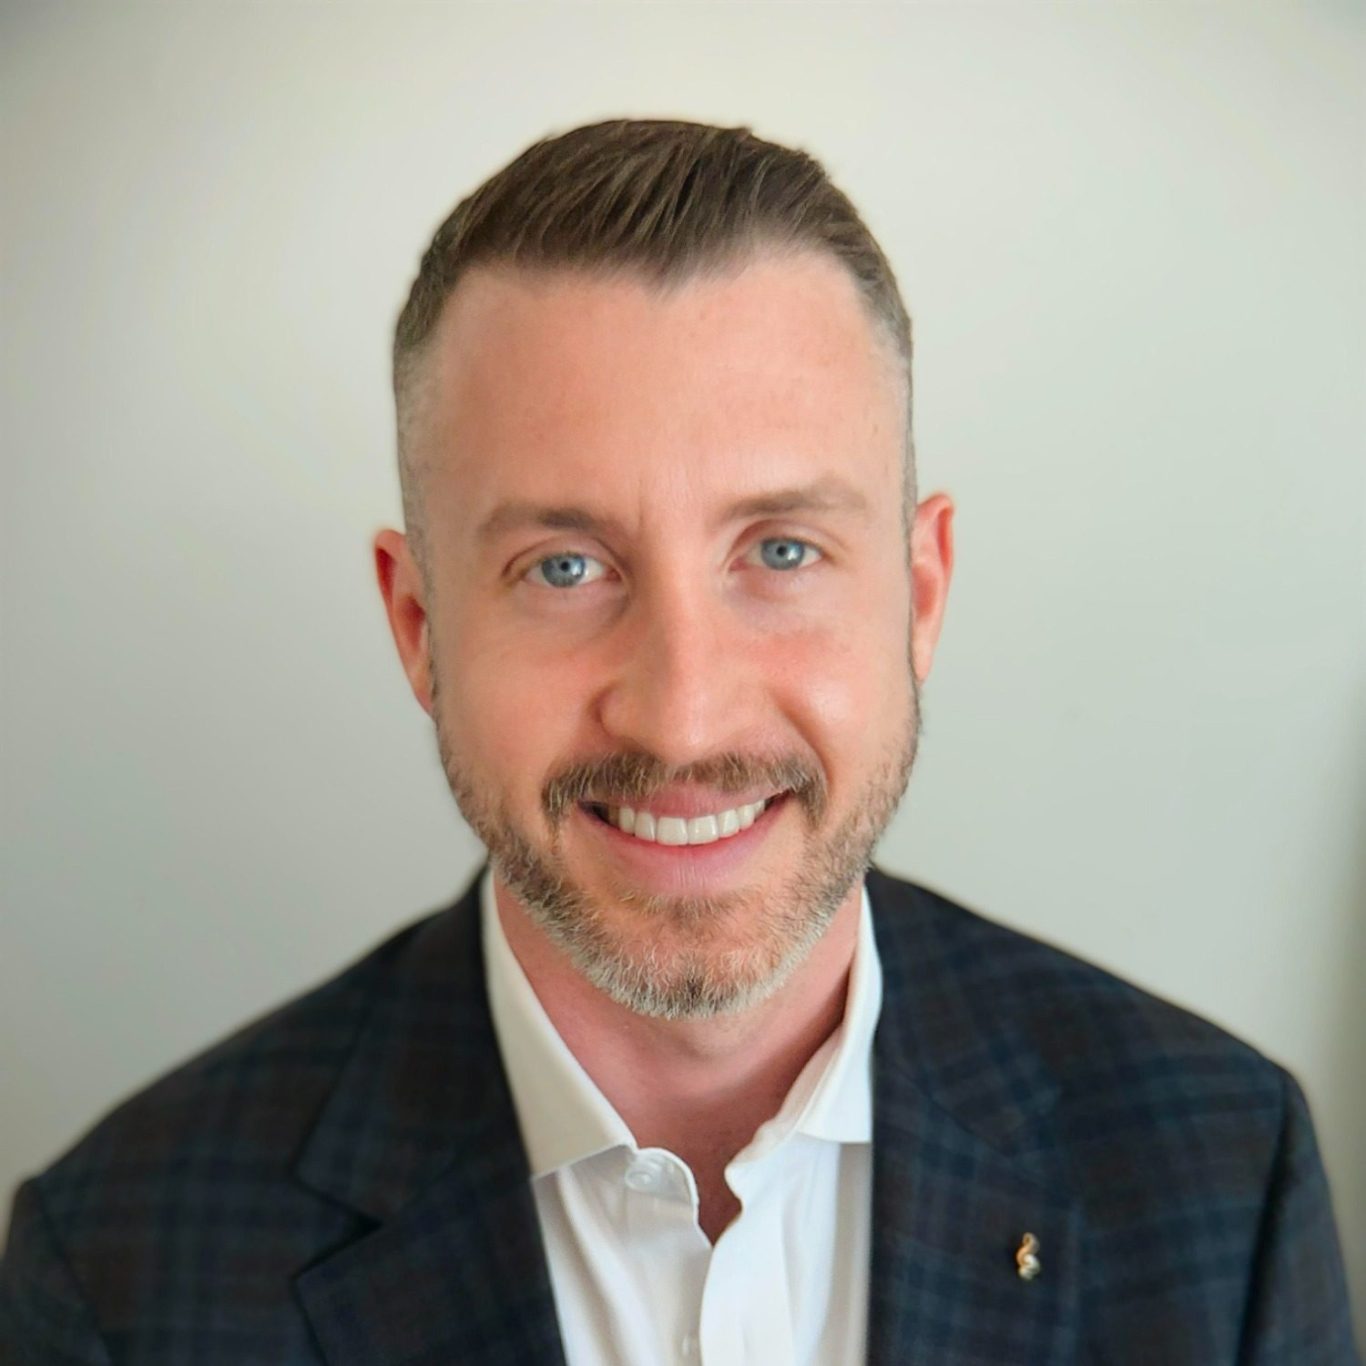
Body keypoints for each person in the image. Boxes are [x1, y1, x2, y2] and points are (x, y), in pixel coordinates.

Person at [0, 118, 1356, 1366]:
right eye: (565, 567)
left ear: (919, 592)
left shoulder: (1222, 1183)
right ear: (418, 624)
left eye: (781, 550)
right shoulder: (120, 1278)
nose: (684, 716)